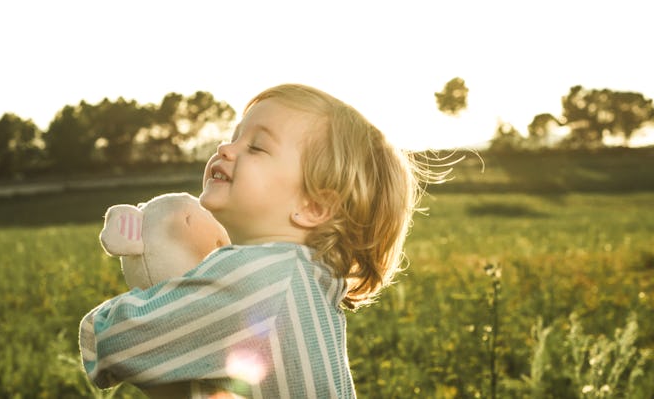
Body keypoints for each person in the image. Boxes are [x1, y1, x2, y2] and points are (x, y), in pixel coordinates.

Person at [79, 83, 424, 398]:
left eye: (256, 147)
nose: (226, 148)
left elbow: (114, 343)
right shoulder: (305, 277)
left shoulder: (264, 277)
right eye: (234, 137)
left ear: (313, 206)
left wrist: (114, 317)